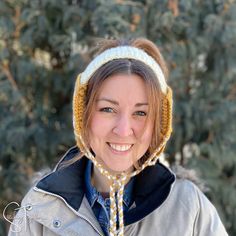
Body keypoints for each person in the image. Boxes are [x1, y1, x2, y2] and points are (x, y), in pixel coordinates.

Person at [8, 38, 228, 236]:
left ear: (158, 126)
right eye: (108, 109)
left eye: (141, 113)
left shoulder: (189, 208)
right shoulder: (39, 209)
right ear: (83, 114)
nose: (123, 130)